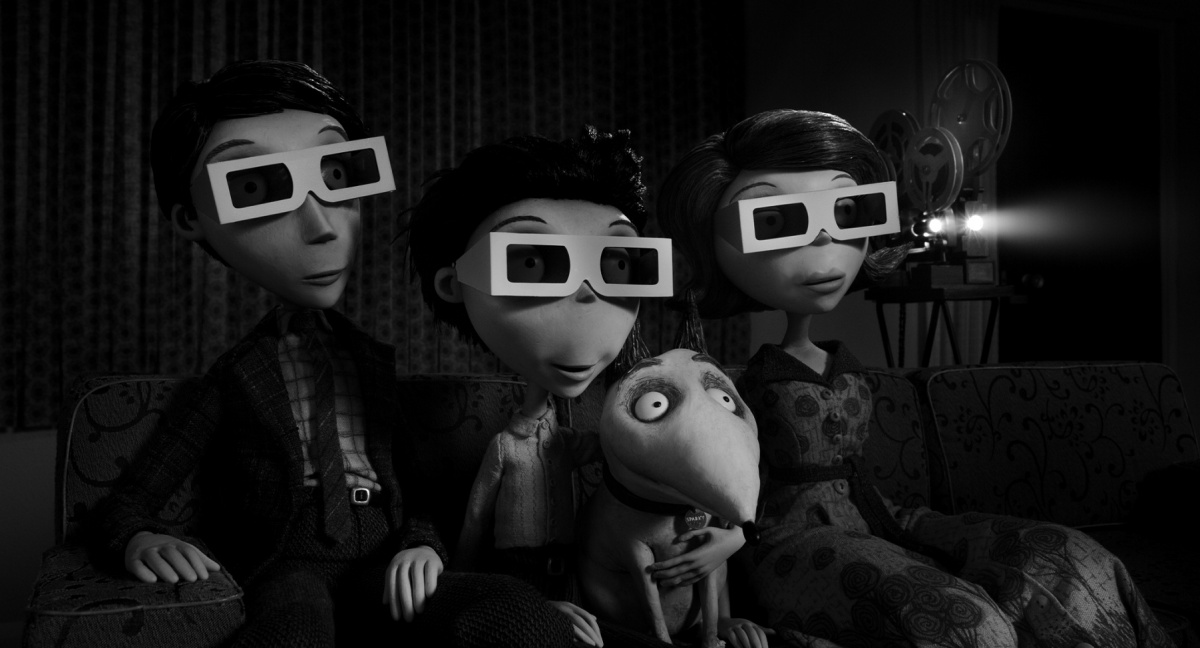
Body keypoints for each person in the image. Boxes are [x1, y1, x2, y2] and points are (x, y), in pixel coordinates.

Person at [88, 59, 573, 648]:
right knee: (295, 630)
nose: (321, 226)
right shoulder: (232, 379)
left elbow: (416, 484)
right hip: (286, 564)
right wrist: (137, 537)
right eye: (254, 188)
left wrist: (421, 542)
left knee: (512, 612)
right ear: (190, 219)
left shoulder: (371, 362)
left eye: (338, 172)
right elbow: (129, 501)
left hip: (384, 560)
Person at [655, 108, 1174, 648]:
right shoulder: (731, 389)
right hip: (788, 535)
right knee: (954, 618)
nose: (824, 242)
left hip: (880, 513)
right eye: (775, 222)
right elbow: (713, 479)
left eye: (849, 210)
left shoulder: (841, 359)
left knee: (1062, 556)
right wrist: (729, 549)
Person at [406, 126, 746, 647]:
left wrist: (732, 538)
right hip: (523, 578)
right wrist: (459, 577)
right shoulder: (505, 445)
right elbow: (471, 524)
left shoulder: (624, 415)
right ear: (453, 284)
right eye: (531, 262)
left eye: (621, 264)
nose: (586, 296)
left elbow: (684, 479)